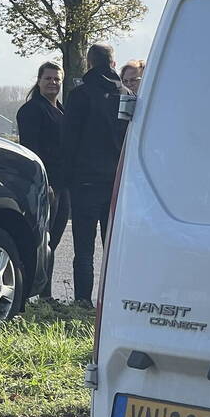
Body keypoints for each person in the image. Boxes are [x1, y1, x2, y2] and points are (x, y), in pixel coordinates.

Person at [62, 44, 131, 306]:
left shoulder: (80, 95)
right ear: (113, 64)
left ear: (89, 63)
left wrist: (66, 180)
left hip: (85, 182)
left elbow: (68, 140)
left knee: (84, 247)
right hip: (115, 182)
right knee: (112, 247)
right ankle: (112, 300)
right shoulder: (125, 95)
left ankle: (82, 300)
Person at [16, 62, 69, 299]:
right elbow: (31, 149)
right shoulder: (31, 111)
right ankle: (33, 291)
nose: (53, 83)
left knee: (54, 239)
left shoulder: (62, 110)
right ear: (38, 81)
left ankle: (46, 293)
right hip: (44, 184)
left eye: (57, 79)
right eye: (48, 78)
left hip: (63, 183)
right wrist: (43, 183)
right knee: (42, 240)